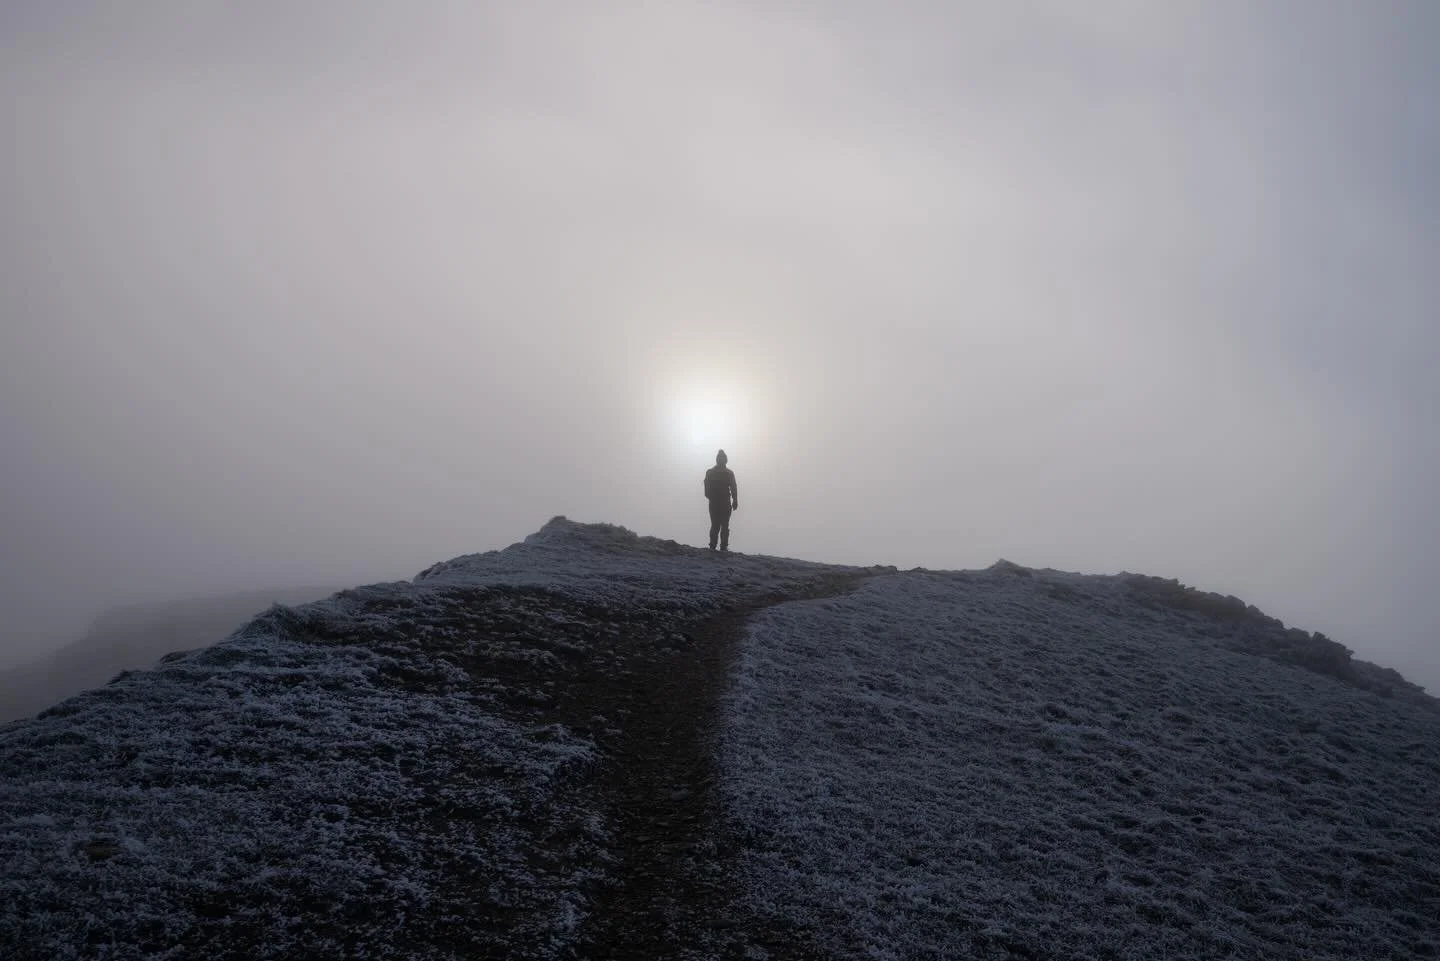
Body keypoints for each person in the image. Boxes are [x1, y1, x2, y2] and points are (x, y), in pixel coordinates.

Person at [703, 449, 739, 551]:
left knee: (721, 525)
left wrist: (735, 500)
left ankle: (721, 546)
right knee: (717, 525)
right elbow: (707, 490)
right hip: (718, 503)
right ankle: (715, 546)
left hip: (721, 503)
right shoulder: (711, 472)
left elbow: (733, 487)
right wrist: (735, 500)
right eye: (720, 458)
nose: (721, 460)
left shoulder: (725, 473)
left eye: (722, 458)